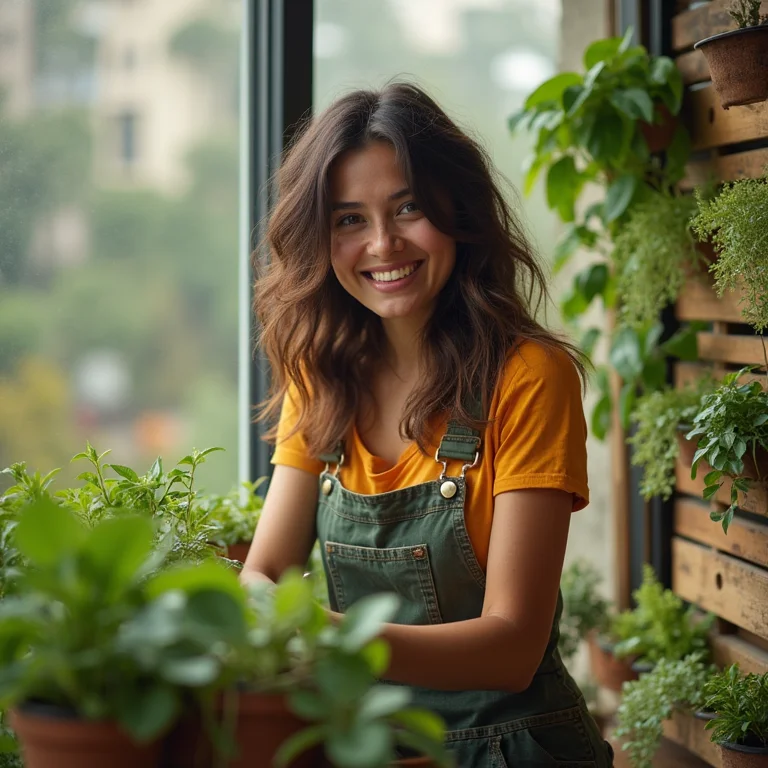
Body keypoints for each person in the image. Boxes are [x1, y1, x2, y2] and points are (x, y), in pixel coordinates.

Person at [241, 81, 614, 767]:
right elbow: (263, 570)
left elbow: (511, 646)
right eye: (349, 219)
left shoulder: (528, 376)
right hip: (374, 744)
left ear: (457, 212)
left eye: (408, 208)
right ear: (318, 238)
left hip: (514, 750)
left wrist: (322, 638)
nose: (383, 244)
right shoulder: (319, 378)